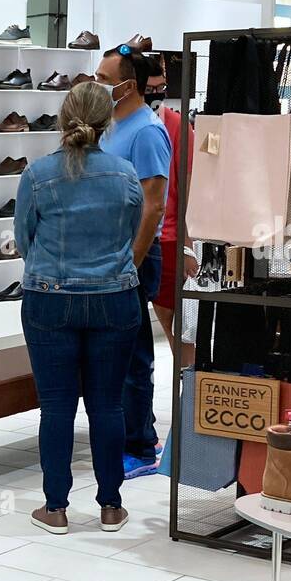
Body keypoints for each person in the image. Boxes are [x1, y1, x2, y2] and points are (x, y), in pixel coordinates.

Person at [14, 82, 144, 535]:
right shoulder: (125, 173)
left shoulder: (37, 175)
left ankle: (56, 508)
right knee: (108, 405)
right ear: (109, 120)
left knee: (56, 408)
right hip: (114, 298)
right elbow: (130, 231)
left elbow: (24, 240)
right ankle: (110, 506)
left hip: (49, 299)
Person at [95, 44, 172, 480]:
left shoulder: (146, 131)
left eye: (104, 80)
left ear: (129, 86)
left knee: (133, 353)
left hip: (136, 254)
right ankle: (132, 435)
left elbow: (153, 204)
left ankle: (141, 445)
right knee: (115, 352)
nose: (97, 85)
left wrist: (133, 259)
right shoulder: (111, 126)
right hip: (111, 252)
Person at [143, 59, 197, 367]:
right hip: (134, 236)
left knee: (177, 326)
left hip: (167, 237)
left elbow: (187, 187)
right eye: (149, 89)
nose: (155, 94)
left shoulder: (176, 125)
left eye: (160, 88)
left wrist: (188, 243)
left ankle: (188, 394)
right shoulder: (119, 124)